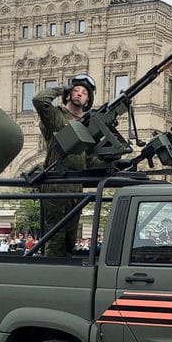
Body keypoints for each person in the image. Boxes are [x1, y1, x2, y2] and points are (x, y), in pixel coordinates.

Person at [33, 74, 97, 257]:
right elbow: (39, 100)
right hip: (56, 181)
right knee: (55, 235)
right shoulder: (57, 116)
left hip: (76, 184)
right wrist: (63, 89)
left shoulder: (89, 124)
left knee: (70, 237)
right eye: (76, 90)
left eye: (84, 93)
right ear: (69, 94)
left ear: (87, 100)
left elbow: (89, 159)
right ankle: (52, 275)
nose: (79, 94)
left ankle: (66, 272)